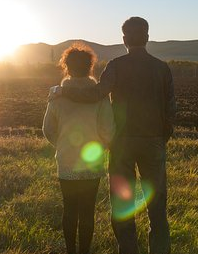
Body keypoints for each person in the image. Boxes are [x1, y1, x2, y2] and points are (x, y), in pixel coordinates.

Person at [49, 17, 176, 254]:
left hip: (122, 144)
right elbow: (171, 111)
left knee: (123, 204)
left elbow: (95, 94)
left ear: (124, 39)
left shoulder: (116, 66)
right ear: (147, 38)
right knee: (157, 205)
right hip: (153, 142)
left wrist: (62, 90)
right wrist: (160, 138)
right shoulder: (162, 68)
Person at [43, 43, 115, 254]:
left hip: (66, 159)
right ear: (90, 67)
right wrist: (100, 147)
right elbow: (109, 130)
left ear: (66, 67)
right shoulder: (99, 96)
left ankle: (70, 251)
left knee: (69, 209)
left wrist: (62, 144)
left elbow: (47, 129)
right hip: (92, 162)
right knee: (87, 211)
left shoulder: (56, 97)